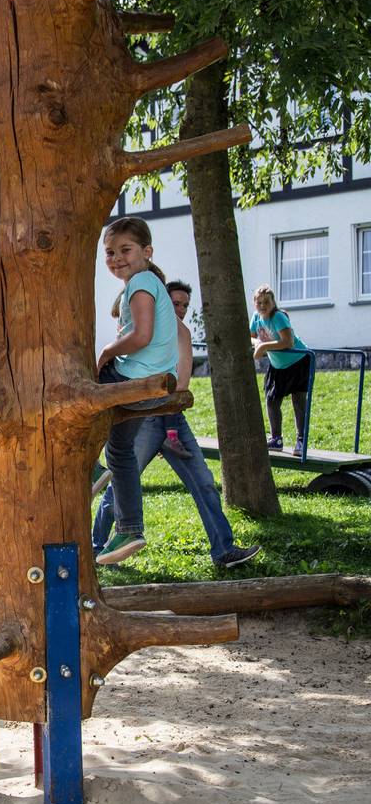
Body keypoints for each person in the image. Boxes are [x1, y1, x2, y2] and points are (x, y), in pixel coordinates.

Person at [94, 280, 261, 569]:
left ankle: (224, 551)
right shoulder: (146, 334)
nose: (181, 309)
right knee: (121, 482)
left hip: (173, 418)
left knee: (205, 483)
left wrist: (172, 429)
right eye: (175, 304)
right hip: (144, 418)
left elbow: (180, 386)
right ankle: (97, 547)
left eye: (185, 304)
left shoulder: (180, 333)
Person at [94, 216, 179, 565]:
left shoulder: (142, 281)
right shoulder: (147, 282)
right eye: (110, 252)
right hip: (151, 381)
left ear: (147, 251)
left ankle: (90, 471)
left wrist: (107, 351)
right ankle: (130, 530)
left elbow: (142, 336)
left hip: (135, 377)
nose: (117, 258)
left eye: (125, 250)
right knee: (121, 451)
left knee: (69, 396)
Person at [250, 284, 313, 457]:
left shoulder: (278, 317)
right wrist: (259, 345)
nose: (263, 306)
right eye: (259, 302)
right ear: (254, 303)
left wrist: (263, 347)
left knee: (298, 401)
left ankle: (301, 440)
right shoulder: (256, 317)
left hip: (298, 360)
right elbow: (251, 337)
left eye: (266, 302)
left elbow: (288, 342)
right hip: (277, 364)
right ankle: (276, 438)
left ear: (273, 302)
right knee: (272, 400)